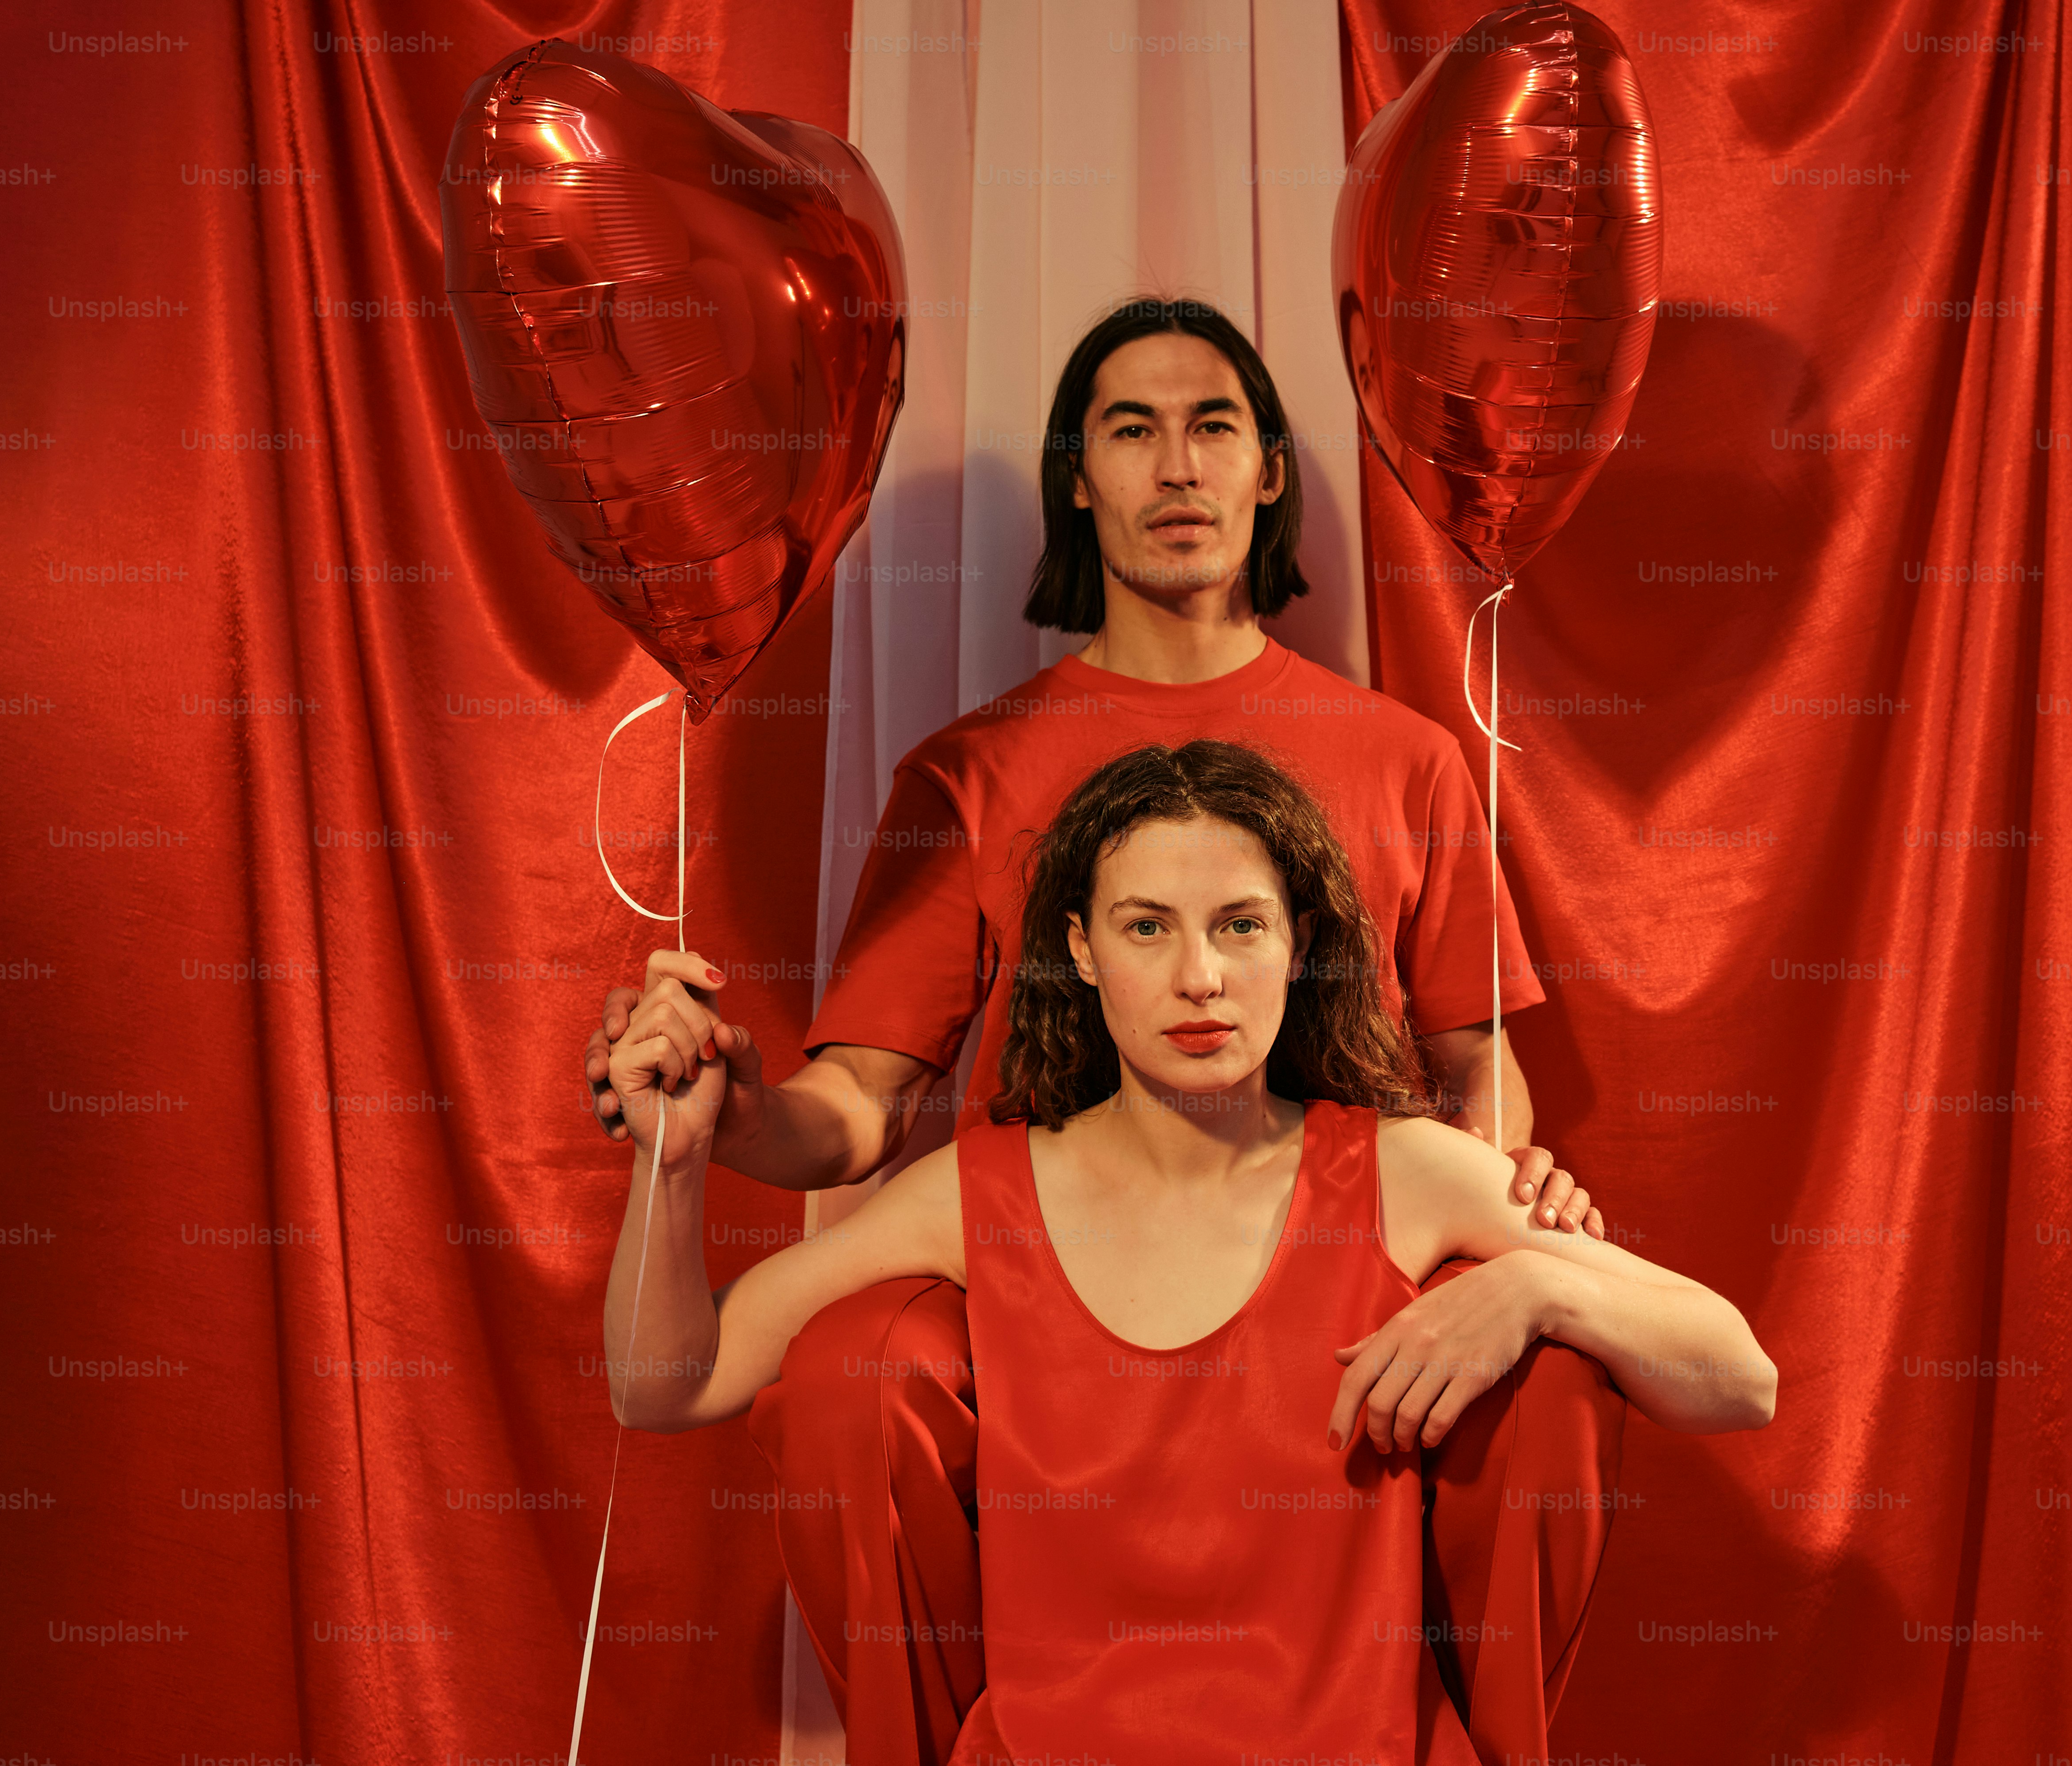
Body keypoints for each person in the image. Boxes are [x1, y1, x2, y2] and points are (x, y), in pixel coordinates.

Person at [578, 300, 1630, 1760]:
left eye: (1216, 426)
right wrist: (722, 1114)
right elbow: (863, 1109)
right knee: (843, 1381)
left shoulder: (1409, 760)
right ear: (1080, 478)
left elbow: (1475, 1073)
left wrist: (1509, 1232)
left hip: (1331, 1273)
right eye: (1131, 430)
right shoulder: (970, 771)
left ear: (1271, 472)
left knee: (1560, 1371)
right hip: (1052, 1280)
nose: (1176, 466)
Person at [600, 740, 1777, 1766]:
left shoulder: (1402, 1174)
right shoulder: (981, 1194)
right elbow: (669, 1384)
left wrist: (1534, 1289)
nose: (1199, 978)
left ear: (1300, 940)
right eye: (1147, 927)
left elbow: (1740, 1376)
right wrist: (676, 1159)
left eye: (1241, 925)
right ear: (1082, 947)